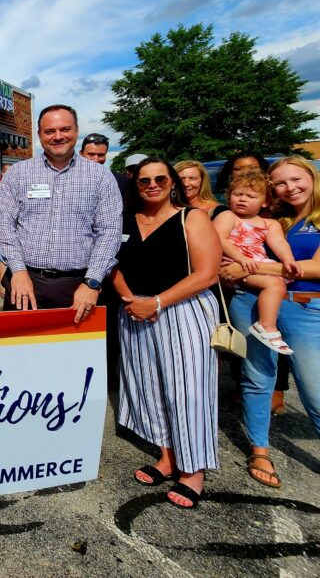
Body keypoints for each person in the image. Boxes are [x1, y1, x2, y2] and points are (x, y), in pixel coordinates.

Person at [113, 157, 221, 509]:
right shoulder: (127, 220)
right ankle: (168, 456)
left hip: (182, 311)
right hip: (135, 310)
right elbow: (110, 262)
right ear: (136, 185)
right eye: (144, 181)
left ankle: (193, 470)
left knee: (189, 391)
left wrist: (156, 303)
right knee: (151, 386)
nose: (153, 185)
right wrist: (131, 299)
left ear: (172, 181)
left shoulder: (193, 217)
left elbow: (207, 274)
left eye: (160, 178)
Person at [223, 156, 320, 489]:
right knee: (257, 377)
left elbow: (315, 269)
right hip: (251, 299)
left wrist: (249, 268)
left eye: (296, 179)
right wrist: (242, 267)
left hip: (304, 308)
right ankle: (259, 449)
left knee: (314, 389)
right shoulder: (271, 217)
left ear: (312, 176)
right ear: (271, 191)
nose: (289, 187)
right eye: (280, 182)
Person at [0, 104, 122, 323]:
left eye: (65, 129)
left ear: (76, 130)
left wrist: (92, 282)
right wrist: (17, 270)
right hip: (25, 281)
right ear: (39, 135)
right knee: (23, 354)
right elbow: (4, 226)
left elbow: (109, 232)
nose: (58, 136)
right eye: (50, 131)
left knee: (78, 357)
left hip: (79, 286)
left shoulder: (101, 177)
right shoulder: (17, 174)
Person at [214, 172, 300, 354]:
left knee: (277, 284)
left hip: (255, 263)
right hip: (235, 263)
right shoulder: (228, 216)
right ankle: (266, 326)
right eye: (237, 194)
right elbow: (219, 239)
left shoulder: (269, 223)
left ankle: (267, 324)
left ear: (265, 202)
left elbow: (279, 243)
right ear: (229, 197)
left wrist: (288, 259)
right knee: (275, 283)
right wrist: (240, 258)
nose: (242, 199)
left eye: (251, 196)